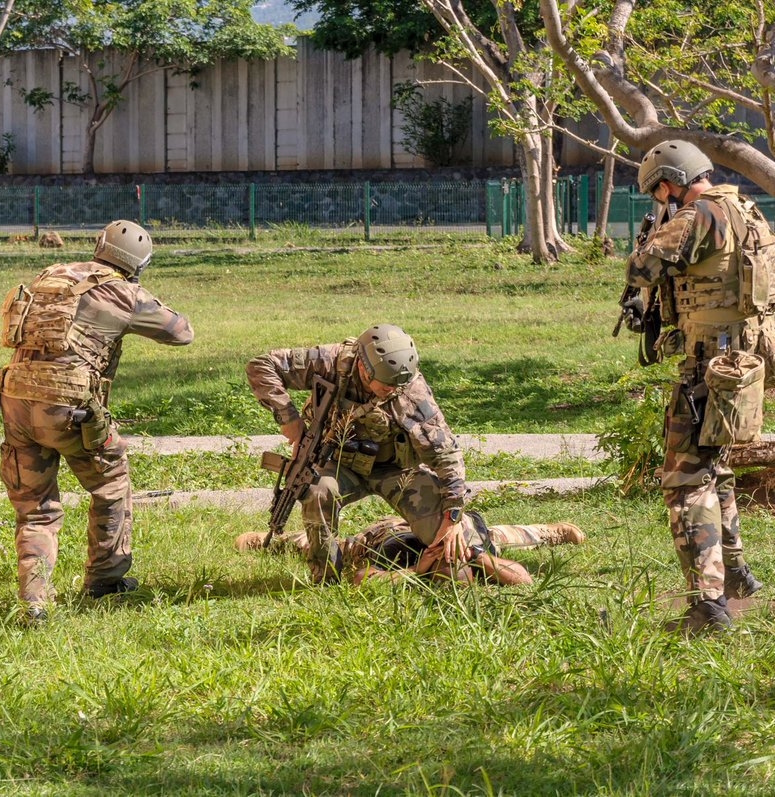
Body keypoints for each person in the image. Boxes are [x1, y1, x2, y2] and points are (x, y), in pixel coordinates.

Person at [0, 220, 194, 622]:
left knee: (35, 510)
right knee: (111, 483)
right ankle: (104, 581)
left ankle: (35, 600)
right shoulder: (124, 292)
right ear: (139, 263)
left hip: (16, 400)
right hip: (69, 407)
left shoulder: (51, 275)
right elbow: (182, 333)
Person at [623, 139, 768, 634]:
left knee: (685, 482)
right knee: (715, 469)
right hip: (739, 363)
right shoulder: (744, 207)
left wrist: (651, 235)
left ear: (668, 184)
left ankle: (708, 607)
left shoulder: (698, 215)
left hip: (706, 368)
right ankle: (735, 573)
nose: (658, 201)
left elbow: (641, 268)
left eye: (657, 193)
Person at [247, 324, 490, 584]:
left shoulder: (410, 390)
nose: (393, 390)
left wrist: (452, 516)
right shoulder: (333, 361)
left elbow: (446, 455)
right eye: (386, 384)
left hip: (395, 471)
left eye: (398, 384)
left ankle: (473, 555)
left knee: (448, 536)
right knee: (317, 490)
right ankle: (326, 578)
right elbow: (261, 365)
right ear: (364, 366)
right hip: (339, 464)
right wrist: (289, 419)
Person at [235, 517, 586, 586]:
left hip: (460, 529)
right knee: (328, 547)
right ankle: (271, 541)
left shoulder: (469, 556)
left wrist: (478, 554)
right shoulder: (400, 554)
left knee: (497, 536)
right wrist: (418, 570)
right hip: (390, 534)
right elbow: (362, 578)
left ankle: (547, 532)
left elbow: (523, 579)